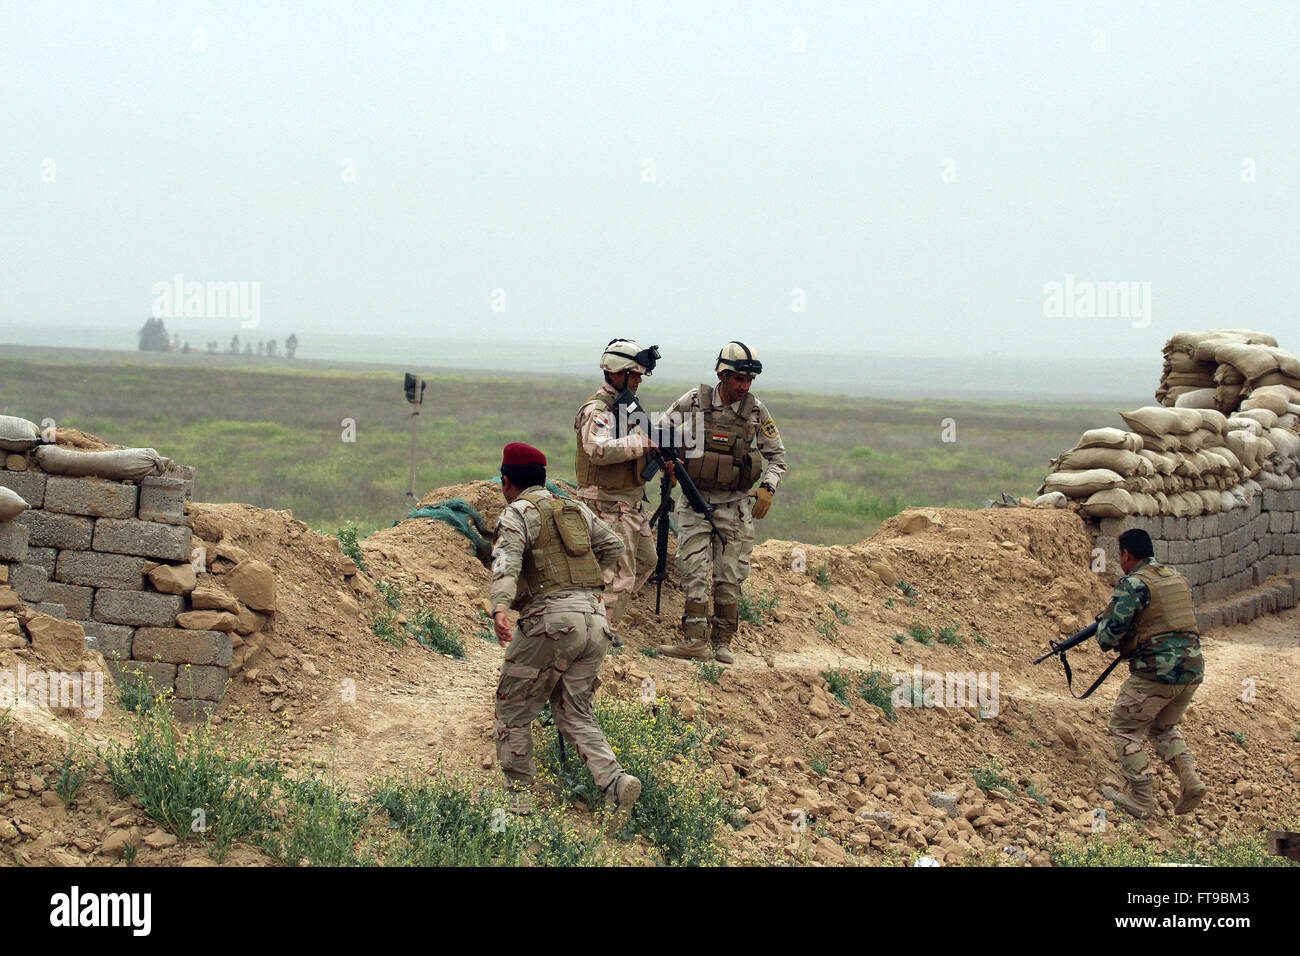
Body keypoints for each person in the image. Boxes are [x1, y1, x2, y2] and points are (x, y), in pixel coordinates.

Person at [488, 441, 642, 828]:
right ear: (542, 478)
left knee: (514, 707)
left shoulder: (517, 512)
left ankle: (520, 804)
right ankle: (614, 782)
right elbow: (615, 545)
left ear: (507, 482)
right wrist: (585, 582)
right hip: (595, 620)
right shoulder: (574, 508)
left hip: (552, 620)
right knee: (575, 711)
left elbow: (506, 560)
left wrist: (501, 607)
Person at [655, 341, 787, 664]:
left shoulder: (756, 412)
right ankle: (694, 641)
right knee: (693, 569)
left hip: (735, 507)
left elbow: (777, 457)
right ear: (723, 375)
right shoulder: (696, 400)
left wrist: (768, 487)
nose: (745, 386)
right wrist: (669, 465)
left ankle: (723, 642)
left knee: (729, 577)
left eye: (749, 381)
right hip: (694, 501)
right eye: (739, 379)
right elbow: (660, 432)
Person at [1096, 528, 1207, 818]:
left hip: (1157, 672)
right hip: (1192, 669)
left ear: (1125, 554)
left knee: (1125, 728)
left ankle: (1142, 800)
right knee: (1163, 728)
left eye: (1119, 556)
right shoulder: (1176, 578)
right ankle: (1191, 781)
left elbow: (1107, 639)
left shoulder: (1133, 584)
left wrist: (1104, 624)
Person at [573, 339, 662, 640]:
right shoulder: (600, 409)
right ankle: (601, 635)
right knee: (619, 572)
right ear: (616, 372)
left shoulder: (627, 407)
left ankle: (596, 616)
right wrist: (642, 444)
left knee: (646, 562)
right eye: (633, 374)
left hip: (630, 502)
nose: (638, 380)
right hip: (606, 502)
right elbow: (595, 449)